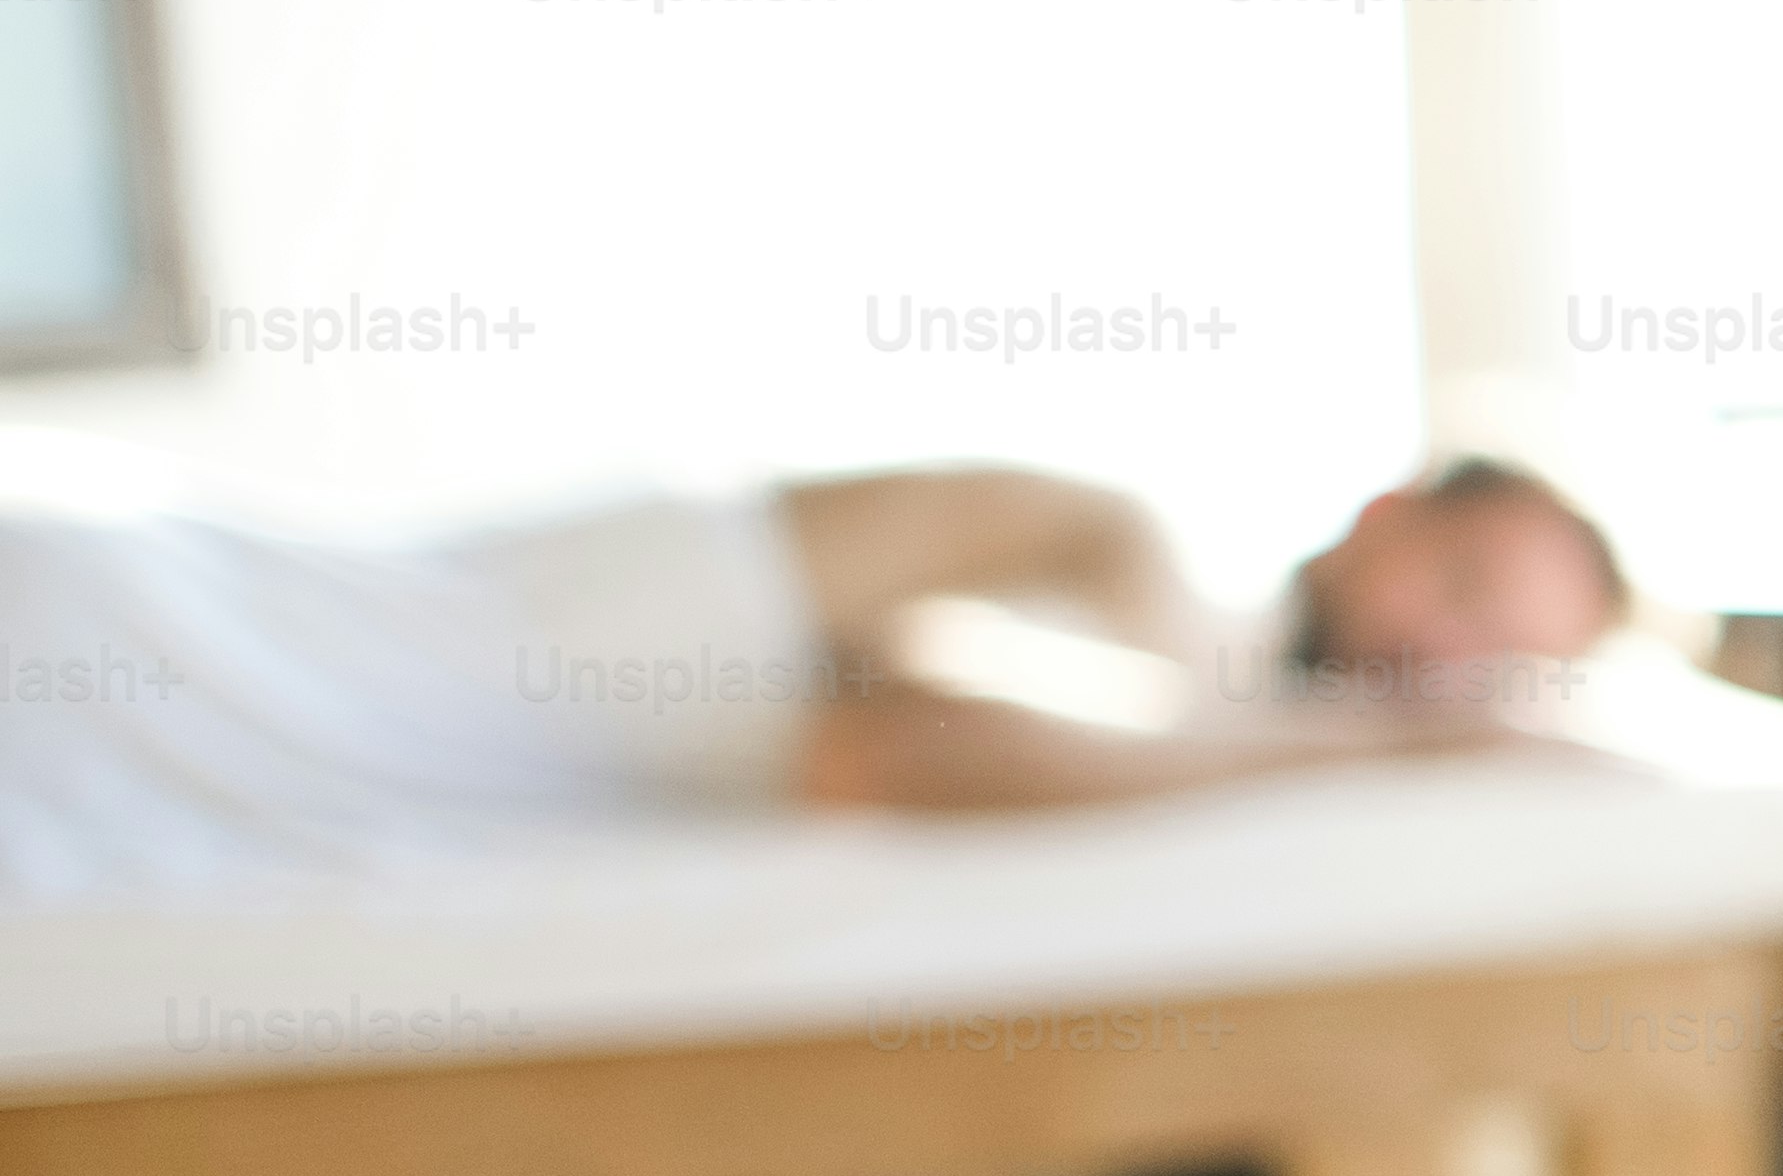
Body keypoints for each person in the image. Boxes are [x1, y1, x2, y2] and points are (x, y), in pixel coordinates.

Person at [0, 444, 1635, 896]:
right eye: (1462, 587)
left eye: (1498, 656)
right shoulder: (1116, 545)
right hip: (123, 640)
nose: (1446, 659)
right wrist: (1390, 747)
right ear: (1382, 516)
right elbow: (892, 747)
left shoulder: (1186, 674)